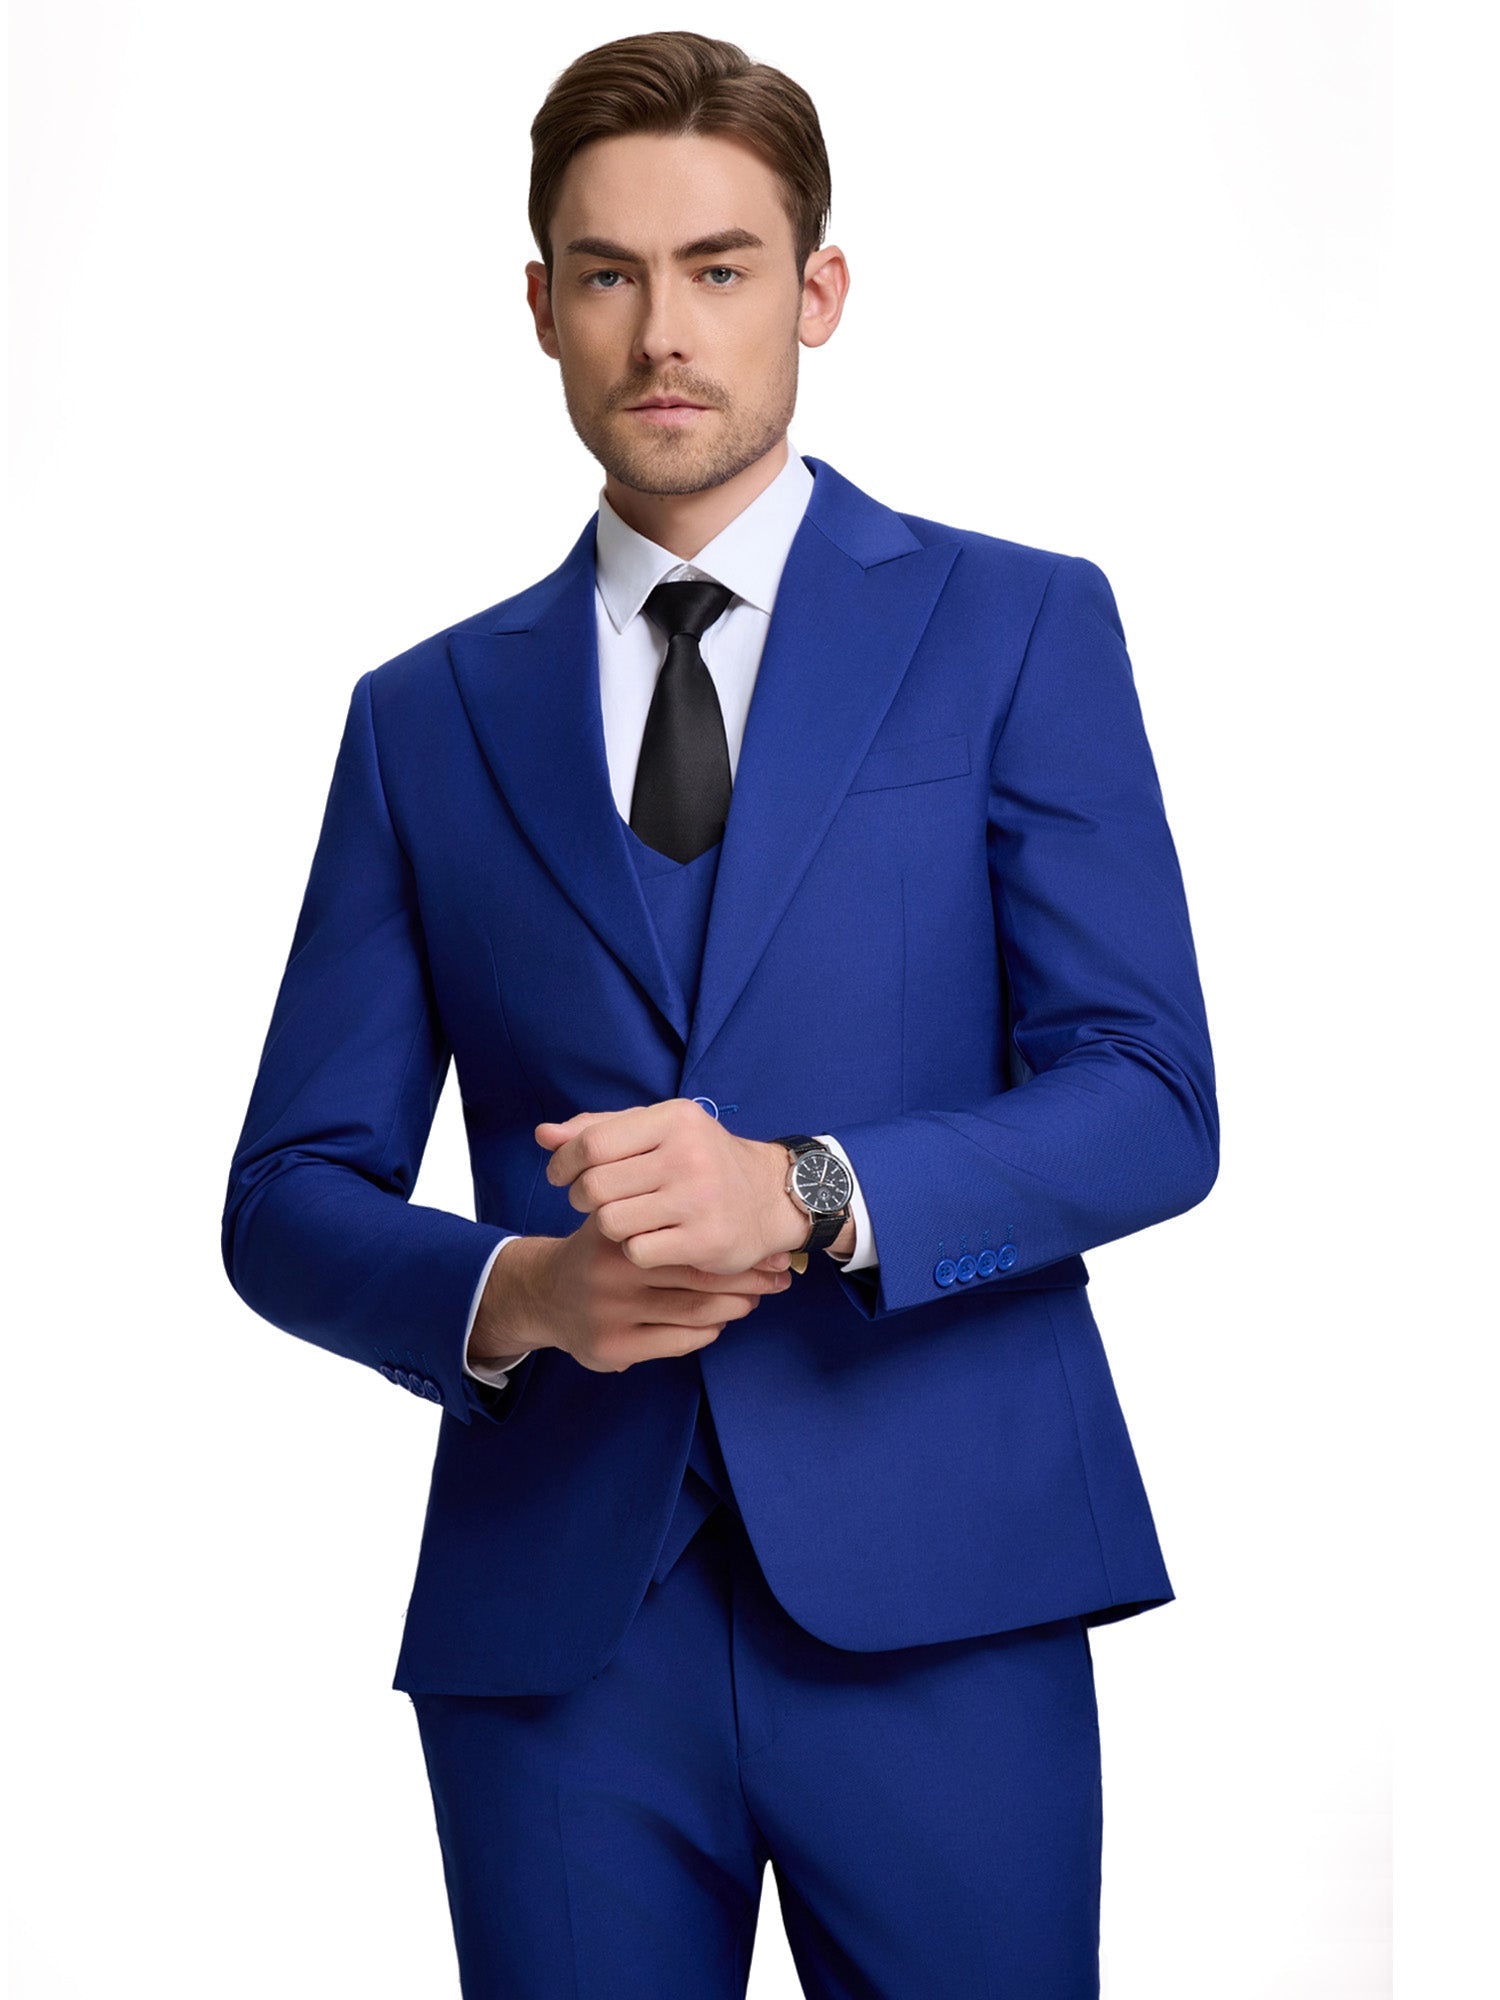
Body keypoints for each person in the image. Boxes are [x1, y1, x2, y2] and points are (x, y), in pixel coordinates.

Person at [221, 28, 1218, 1997]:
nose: (662, 329)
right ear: (541, 306)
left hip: (951, 1584)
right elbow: (288, 1194)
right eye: (608, 272)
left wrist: (811, 1190)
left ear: (817, 290)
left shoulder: (1017, 625)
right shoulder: (422, 718)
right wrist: (520, 1291)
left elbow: (1148, 1095)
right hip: (558, 1635)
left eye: (720, 265)